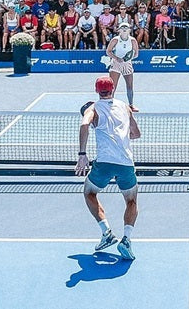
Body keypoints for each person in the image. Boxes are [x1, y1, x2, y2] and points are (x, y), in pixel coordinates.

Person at [75, 76, 141, 261]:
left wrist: (82, 155)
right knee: (131, 201)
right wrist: (120, 130)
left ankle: (106, 232)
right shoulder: (125, 107)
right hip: (126, 162)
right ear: (113, 89)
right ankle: (126, 239)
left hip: (104, 162)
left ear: (97, 91)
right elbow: (136, 134)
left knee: (89, 192)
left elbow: (84, 124)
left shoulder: (93, 108)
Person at [104, 22, 139, 105]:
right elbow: (108, 51)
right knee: (112, 86)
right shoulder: (115, 40)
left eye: (126, 27)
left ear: (129, 30)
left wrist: (128, 58)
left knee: (130, 86)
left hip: (127, 64)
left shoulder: (133, 40)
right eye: (122, 28)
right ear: (119, 30)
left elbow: (136, 54)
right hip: (116, 63)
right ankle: (109, 103)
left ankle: (131, 105)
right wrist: (117, 58)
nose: (124, 29)